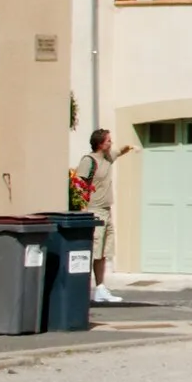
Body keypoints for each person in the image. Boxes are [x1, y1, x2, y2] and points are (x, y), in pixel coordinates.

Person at [76, 127, 133, 303]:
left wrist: (130, 146)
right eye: (108, 140)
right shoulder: (89, 161)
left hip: (106, 210)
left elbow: (119, 152)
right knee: (94, 250)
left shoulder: (108, 158)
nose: (111, 143)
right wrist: (82, 208)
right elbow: (78, 183)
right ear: (101, 144)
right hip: (94, 210)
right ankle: (82, 287)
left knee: (104, 252)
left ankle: (100, 288)